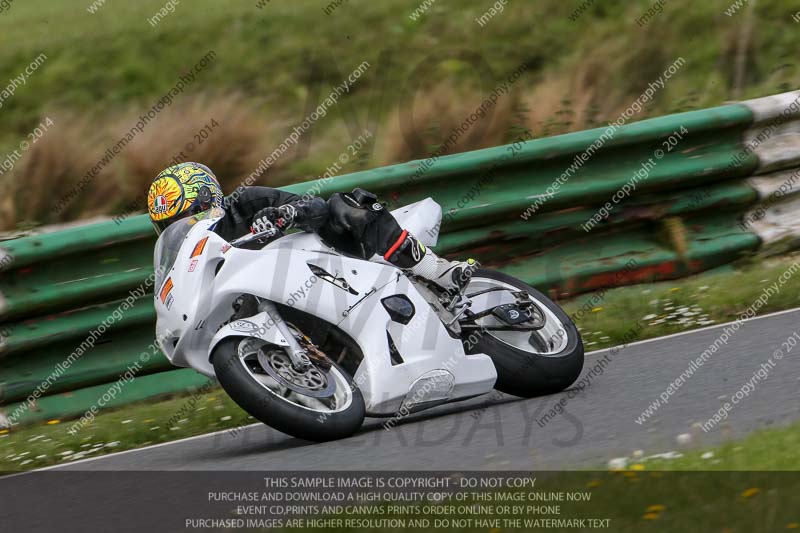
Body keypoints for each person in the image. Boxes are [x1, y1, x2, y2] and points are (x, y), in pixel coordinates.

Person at [146, 162, 477, 292]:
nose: (182, 227)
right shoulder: (190, 258)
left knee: (343, 206)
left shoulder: (246, 202)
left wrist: (285, 213)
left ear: (207, 199)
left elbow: (314, 205)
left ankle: (437, 270)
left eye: (186, 216)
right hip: (278, 292)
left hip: (325, 261)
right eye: (170, 225)